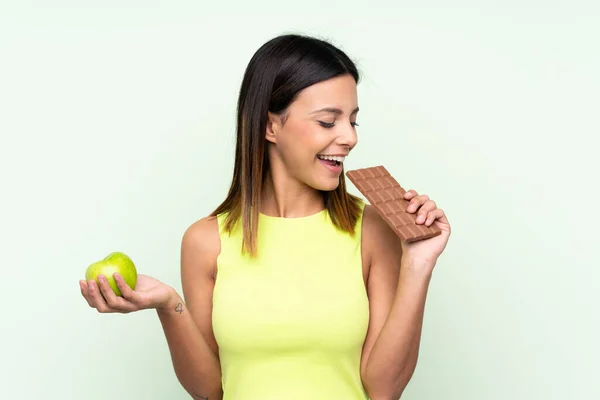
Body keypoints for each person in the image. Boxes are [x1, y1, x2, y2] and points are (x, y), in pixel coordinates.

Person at [79, 33, 451, 400]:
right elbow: (209, 390)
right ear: (271, 126)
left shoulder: (371, 229)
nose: (349, 137)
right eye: (328, 121)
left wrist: (418, 265)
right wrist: (168, 304)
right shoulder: (205, 241)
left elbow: (385, 390)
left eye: (353, 121)